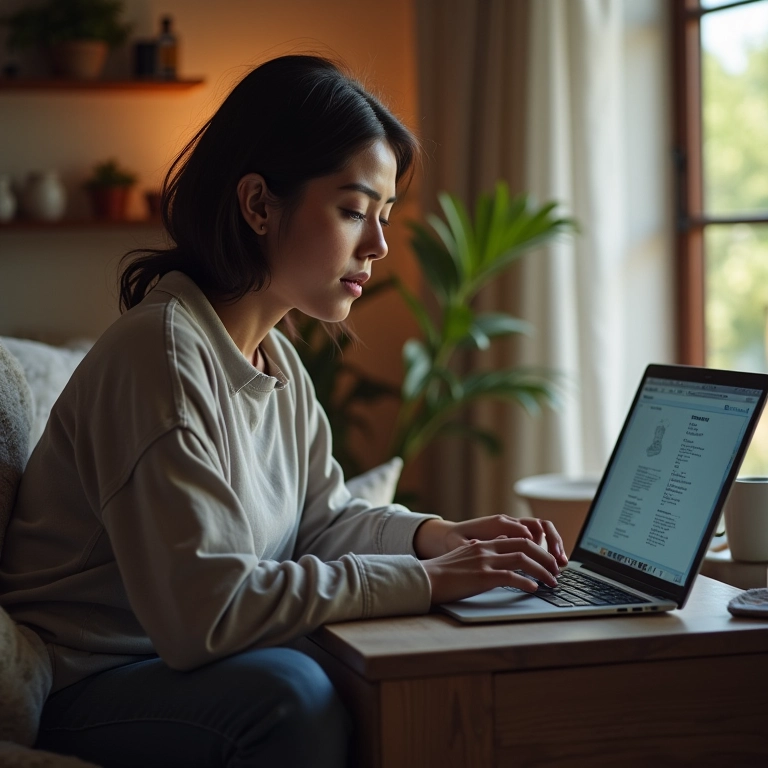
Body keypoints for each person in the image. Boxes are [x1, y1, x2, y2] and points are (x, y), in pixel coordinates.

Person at [0, 54, 566, 768]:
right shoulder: (162, 358)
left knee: (370, 664)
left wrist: (437, 538)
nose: (380, 245)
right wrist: (429, 581)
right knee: (293, 691)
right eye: (354, 210)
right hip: (88, 683)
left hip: (169, 669)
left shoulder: (276, 358)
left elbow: (320, 523)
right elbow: (202, 615)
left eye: (384, 216)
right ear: (259, 204)